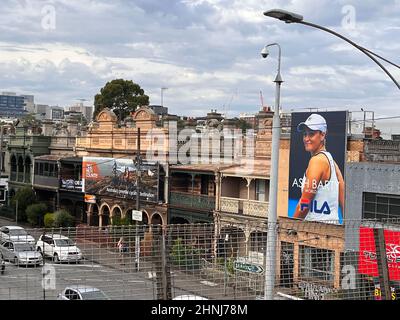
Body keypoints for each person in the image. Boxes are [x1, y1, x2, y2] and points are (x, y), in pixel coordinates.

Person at [293, 114, 345, 224]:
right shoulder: (332, 161)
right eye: (305, 134)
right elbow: (344, 201)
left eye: (311, 134)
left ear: (322, 135)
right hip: (331, 232)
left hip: (315, 233)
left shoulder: (317, 161)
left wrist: (289, 226)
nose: (306, 138)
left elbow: (305, 202)